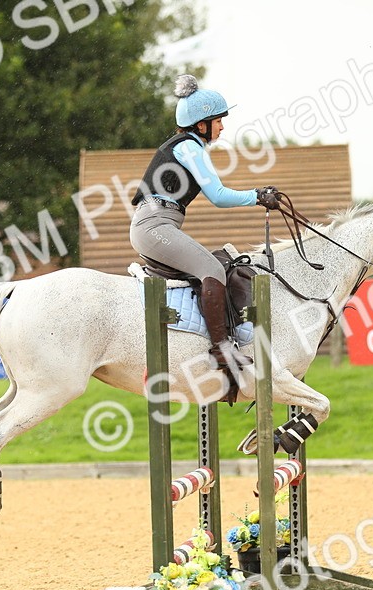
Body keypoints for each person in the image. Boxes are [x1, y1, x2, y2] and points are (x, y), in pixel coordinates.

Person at [130, 74, 279, 400]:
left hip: (158, 223)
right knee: (211, 269)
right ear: (201, 125)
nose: (222, 128)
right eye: (218, 121)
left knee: (216, 265)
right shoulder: (189, 148)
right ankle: (222, 350)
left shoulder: (184, 145)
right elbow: (219, 196)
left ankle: (177, 350)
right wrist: (257, 195)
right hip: (155, 226)